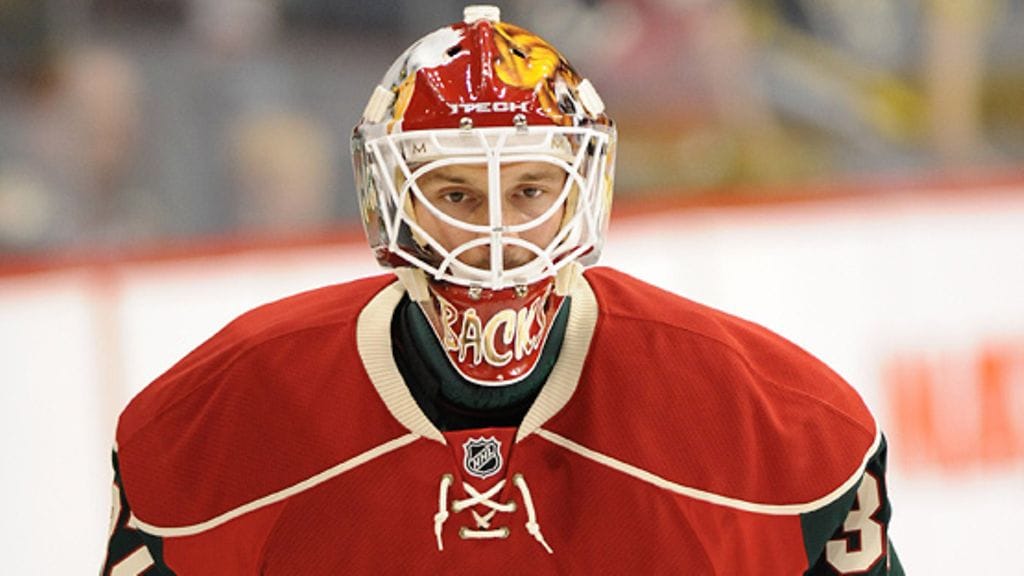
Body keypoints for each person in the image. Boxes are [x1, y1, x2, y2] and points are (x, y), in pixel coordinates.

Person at [102, 5, 902, 574]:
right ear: (394, 202)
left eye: (529, 193)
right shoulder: (218, 420)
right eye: (456, 196)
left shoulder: (777, 423)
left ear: (582, 195)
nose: (497, 241)